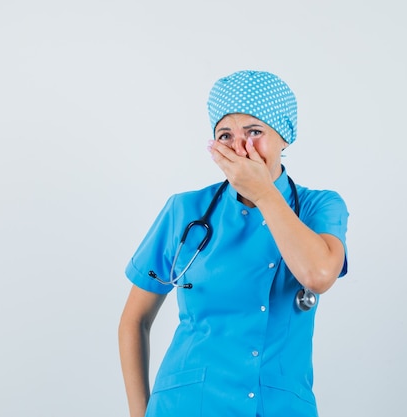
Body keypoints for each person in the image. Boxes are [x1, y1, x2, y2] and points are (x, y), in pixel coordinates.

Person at [118, 70, 349, 417]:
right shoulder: (185, 210)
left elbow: (318, 275)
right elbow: (134, 320)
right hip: (185, 405)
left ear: (284, 137)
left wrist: (264, 193)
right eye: (225, 134)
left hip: (279, 406)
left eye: (254, 132)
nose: (240, 148)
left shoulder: (320, 206)